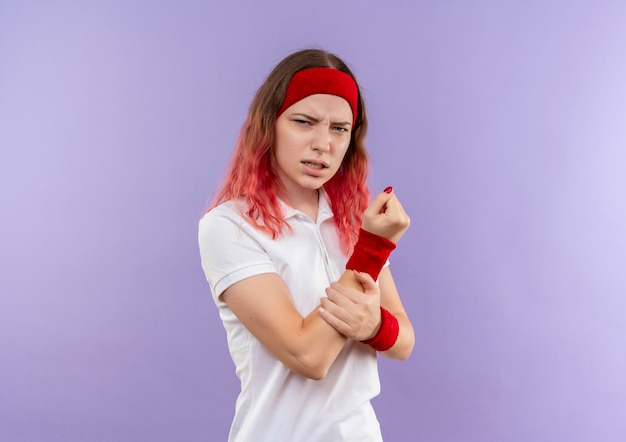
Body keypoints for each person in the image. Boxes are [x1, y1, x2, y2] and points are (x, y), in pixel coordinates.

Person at [198, 48, 414, 442]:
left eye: (339, 129)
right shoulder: (229, 226)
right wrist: (372, 249)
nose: (323, 144)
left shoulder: (351, 219)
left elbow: (404, 342)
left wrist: (375, 326)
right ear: (269, 125)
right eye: (304, 122)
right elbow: (307, 355)